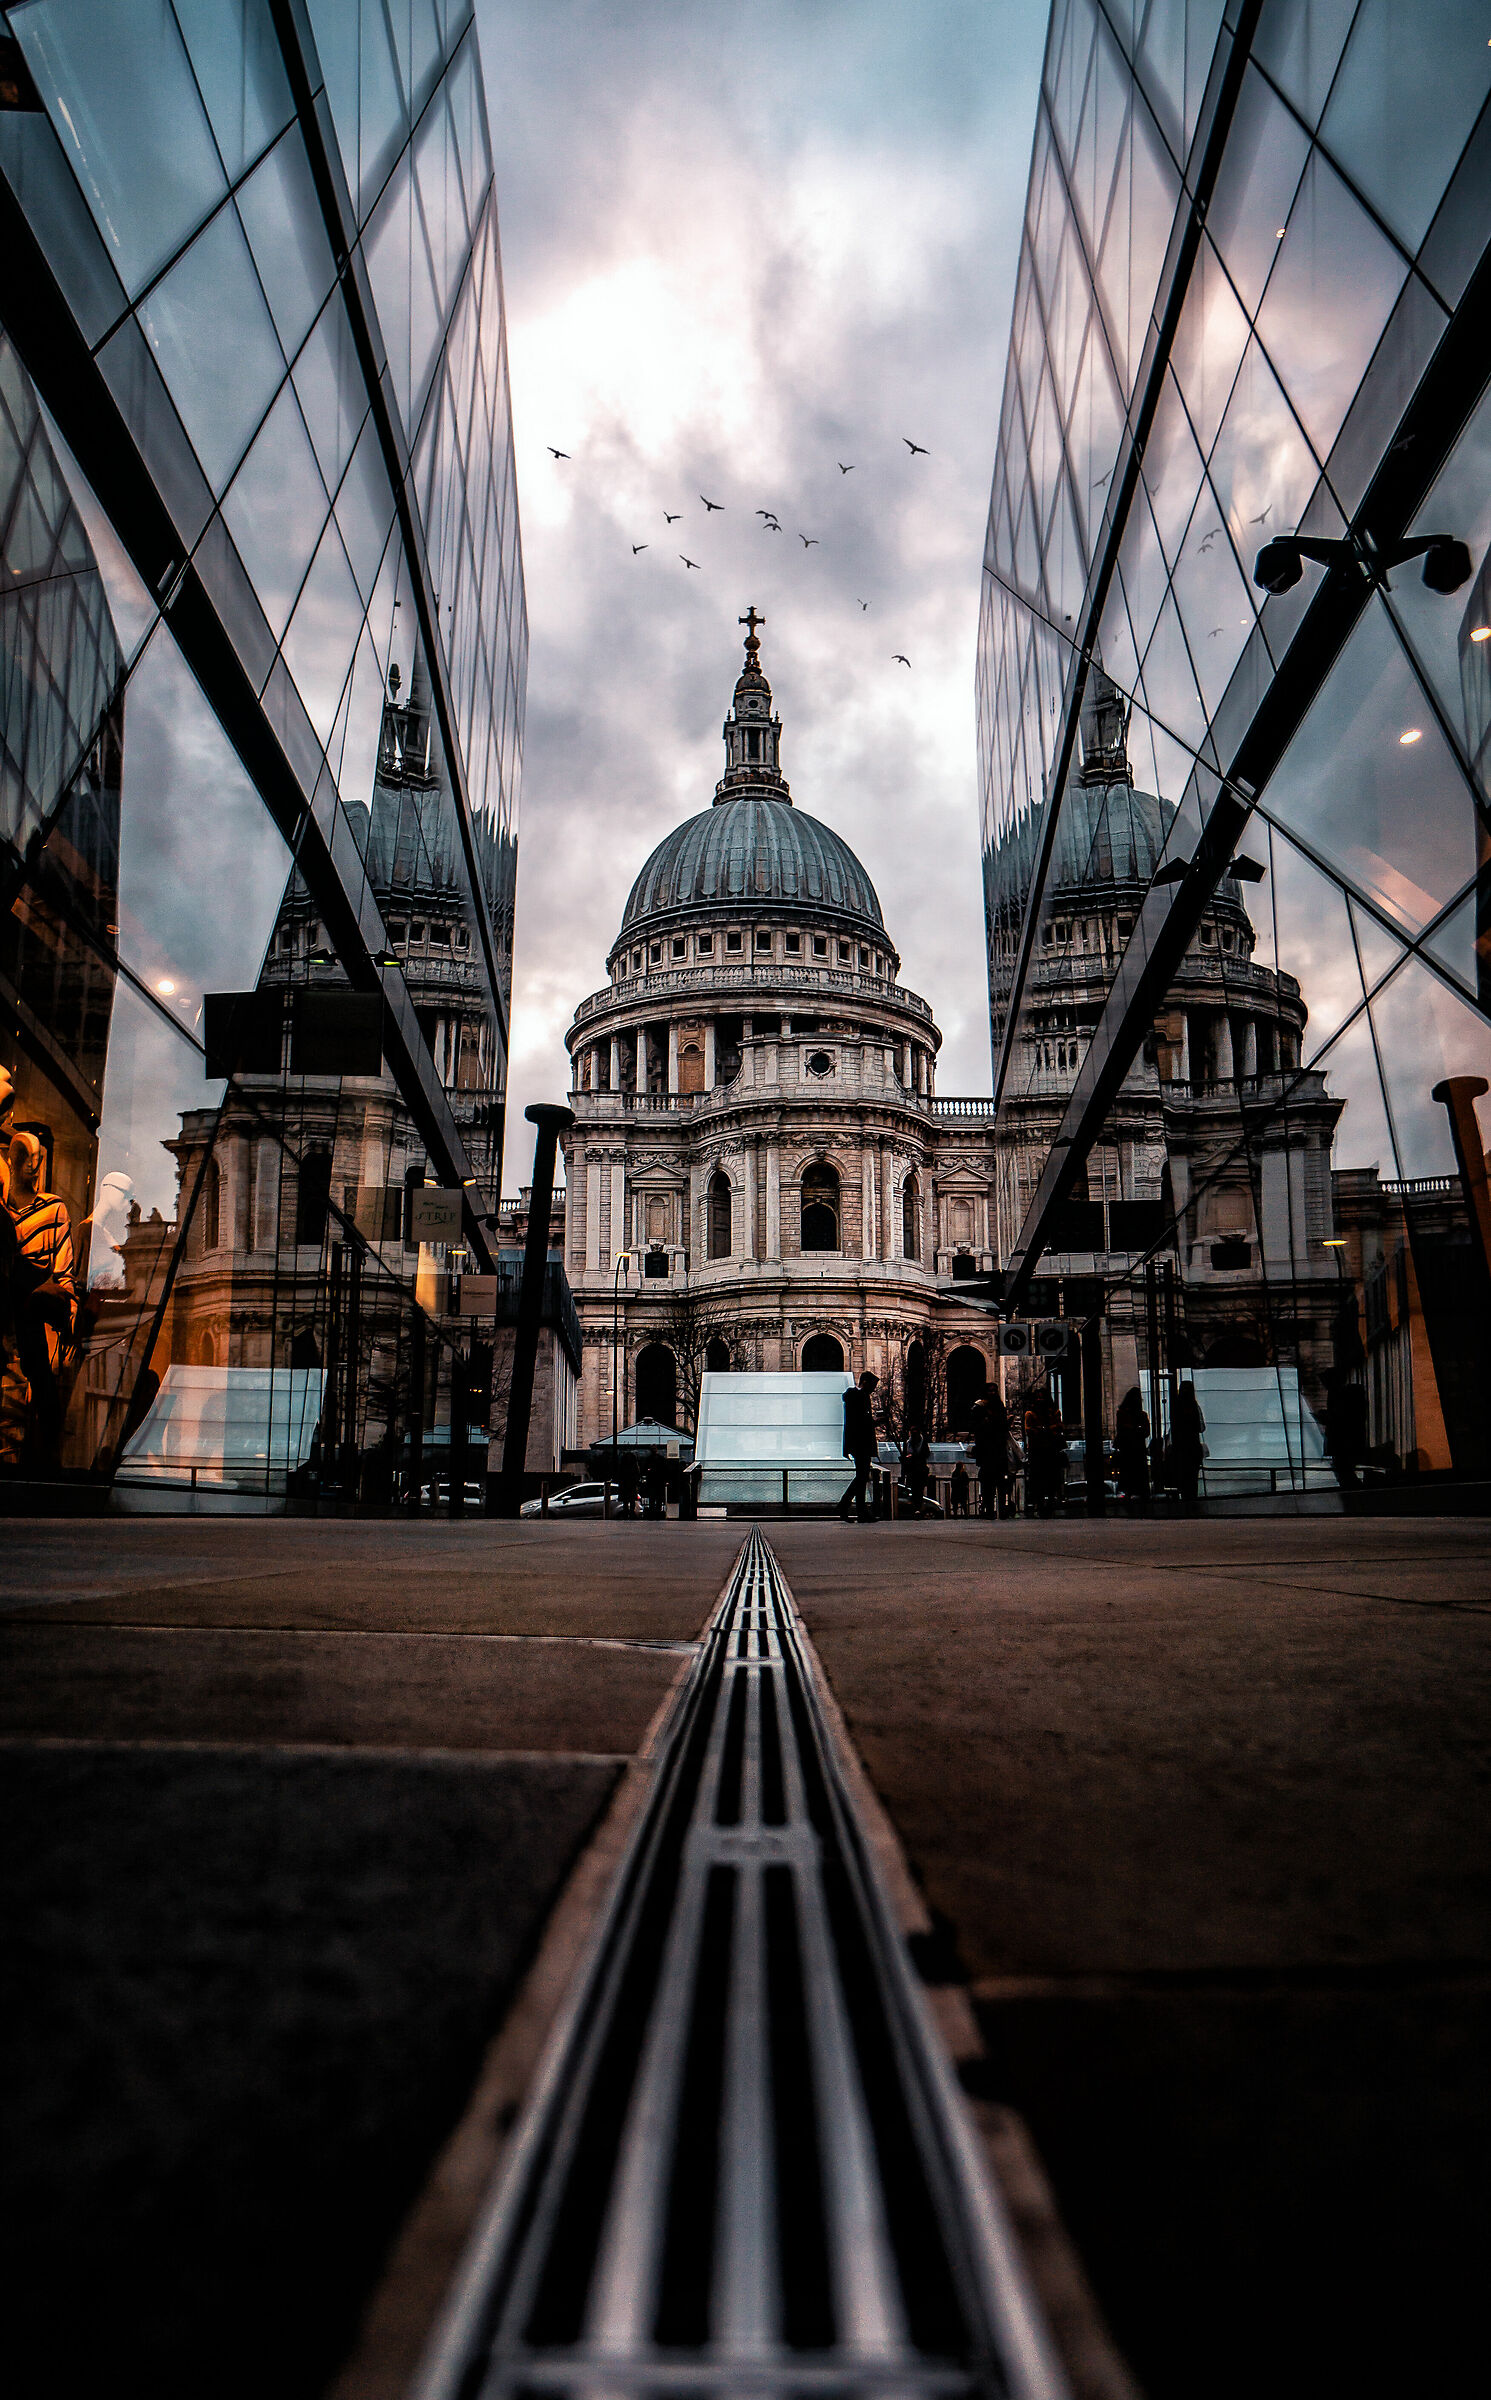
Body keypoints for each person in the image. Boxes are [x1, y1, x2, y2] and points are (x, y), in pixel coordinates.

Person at [839, 1369, 879, 1523]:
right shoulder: (859, 1397)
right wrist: (875, 1421)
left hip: (858, 1444)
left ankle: (860, 1511)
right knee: (862, 1477)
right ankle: (845, 1504)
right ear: (865, 1383)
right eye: (873, 1386)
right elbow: (860, 1423)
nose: (873, 1389)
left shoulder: (856, 1397)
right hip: (860, 1444)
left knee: (861, 1477)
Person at [1325, 1372, 1369, 1491]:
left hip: (1345, 1446)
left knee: (1345, 1473)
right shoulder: (1342, 1397)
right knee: (1344, 1473)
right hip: (1345, 1446)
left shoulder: (1344, 1398)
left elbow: (1341, 1420)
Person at [1169, 1382, 1206, 1511]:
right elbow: (1202, 1427)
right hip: (1193, 1447)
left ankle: (1185, 1502)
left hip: (1181, 1449)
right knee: (1192, 1478)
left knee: (1184, 1478)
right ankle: (1192, 1502)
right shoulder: (1194, 1407)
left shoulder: (1176, 1408)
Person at [1114, 1386, 1151, 1514]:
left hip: (1128, 1451)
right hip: (1137, 1451)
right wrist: (1137, 1429)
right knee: (1138, 1475)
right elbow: (1145, 1431)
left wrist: (1132, 1429)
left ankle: (1129, 1496)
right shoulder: (1141, 1415)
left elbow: (1124, 1430)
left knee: (1128, 1476)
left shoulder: (1122, 1414)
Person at [900, 1421, 930, 1516]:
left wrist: (911, 1457)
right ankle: (917, 1508)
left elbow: (925, 1454)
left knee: (917, 1490)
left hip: (916, 1471)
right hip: (915, 1471)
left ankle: (916, 1508)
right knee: (916, 1490)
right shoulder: (918, 1442)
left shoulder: (909, 1443)